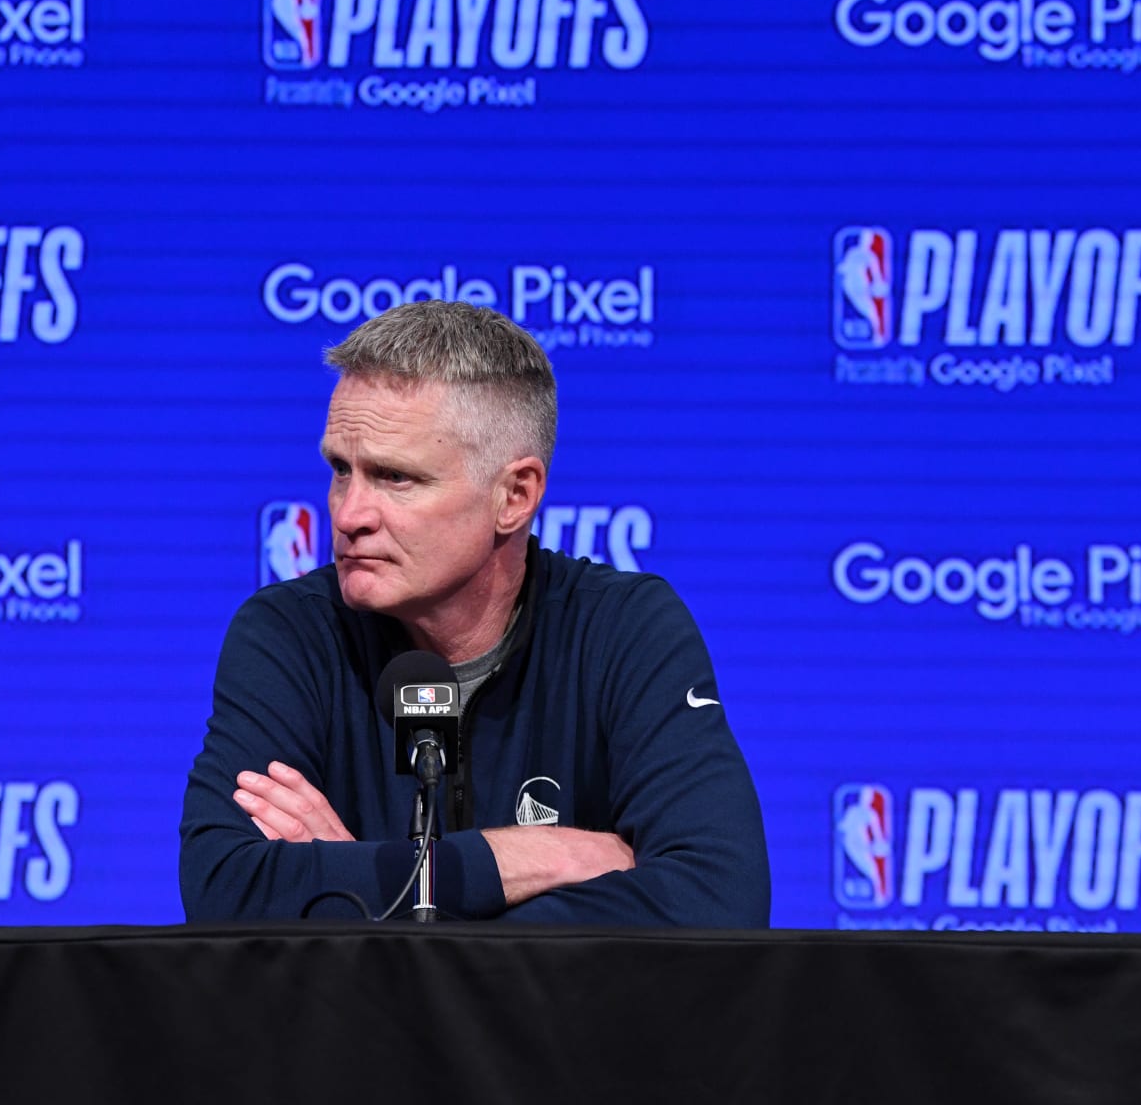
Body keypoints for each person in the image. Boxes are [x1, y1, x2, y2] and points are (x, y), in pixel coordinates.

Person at [179, 300, 770, 924]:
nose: (349, 514)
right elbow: (226, 891)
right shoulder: (291, 633)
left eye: (396, 477)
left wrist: (378, 900)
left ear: (514, 496)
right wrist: (526, 860)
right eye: (341, 470)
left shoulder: (625, 629)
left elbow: (720, 902)